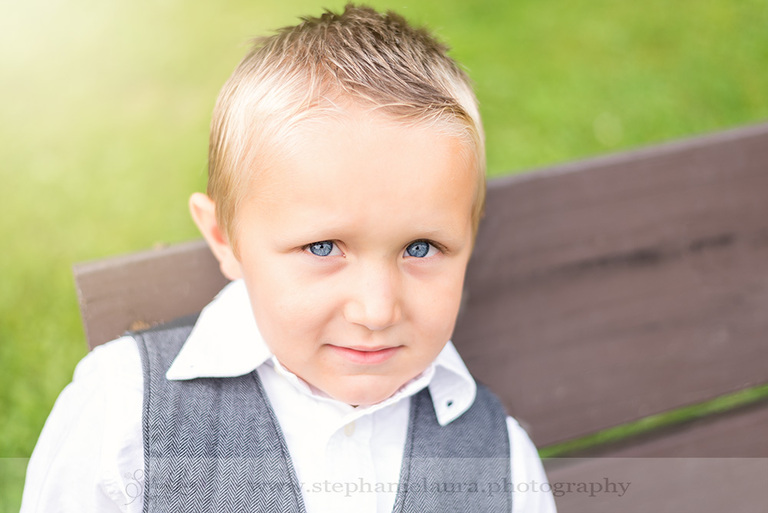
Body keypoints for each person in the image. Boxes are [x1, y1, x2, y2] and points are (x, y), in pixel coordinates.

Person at [22, 5, 557, 512]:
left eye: (421, 248)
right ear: (225, 239)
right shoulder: (122, 412)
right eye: (322, 248)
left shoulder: (499, 459)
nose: (376, 311)